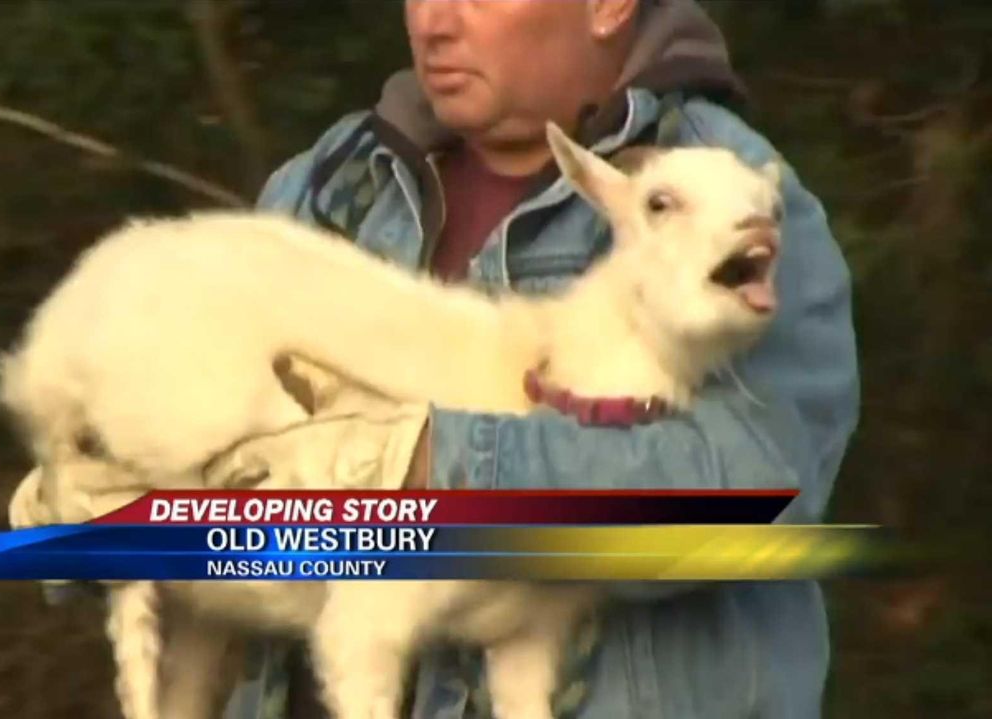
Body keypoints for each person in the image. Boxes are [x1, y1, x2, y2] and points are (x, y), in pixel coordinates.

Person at [209, 0, 862, 717]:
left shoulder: (734, 200)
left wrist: (436, 460)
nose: (434, 22)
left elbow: (752, 496)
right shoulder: (330, 188)